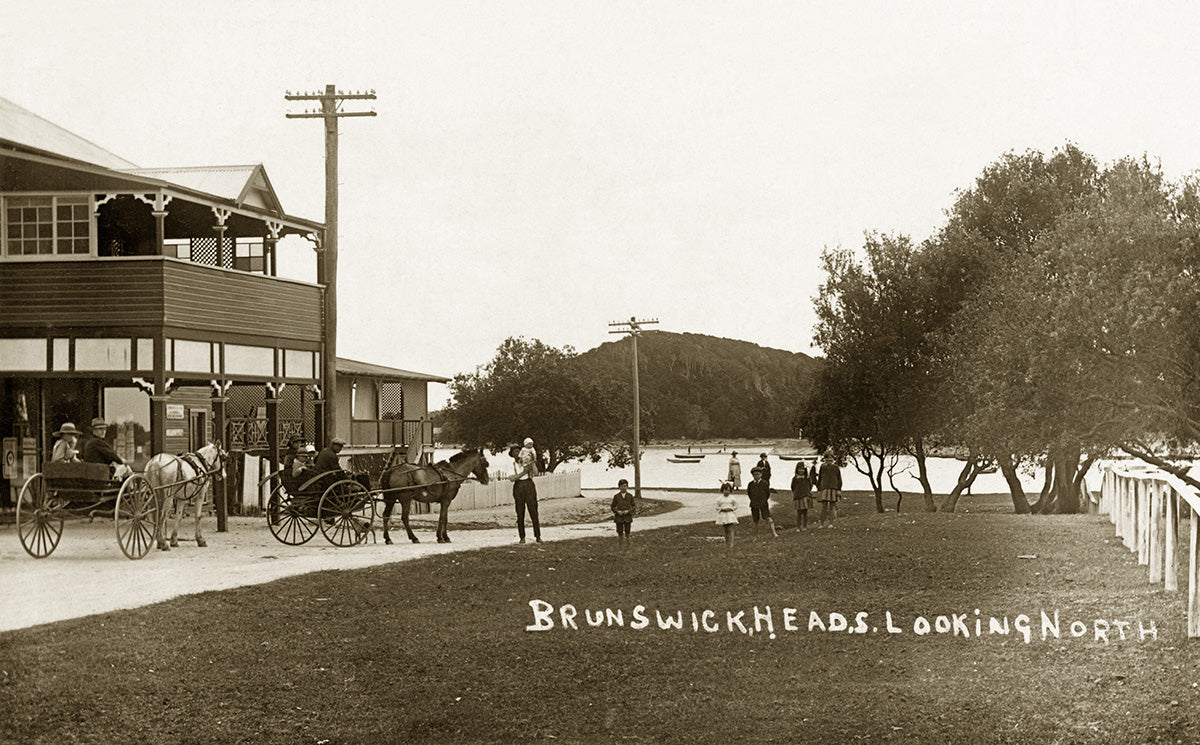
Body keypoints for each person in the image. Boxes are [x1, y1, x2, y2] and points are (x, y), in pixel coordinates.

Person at [509, 436, 542, 544]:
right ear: (512, 454)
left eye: (518, 451)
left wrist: (532, 462)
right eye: (514, 452)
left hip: (528, 484)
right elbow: (512, 478)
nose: (517, 454)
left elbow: (536, 473)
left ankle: (538, 536)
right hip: (518, 486)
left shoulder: (527, 462)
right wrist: (523, 472)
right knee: (520, 512)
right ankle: (522, 537)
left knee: (533, 511)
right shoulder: (513, 464)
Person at [746, 467, 778, 538]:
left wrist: (763, 500)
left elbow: (767, 493)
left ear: (761, 474)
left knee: (767, 517)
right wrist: (754, 500)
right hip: (754, 504)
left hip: (763, 503)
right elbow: (749, 494)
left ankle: (774, 533)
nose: (756, 476)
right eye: (754, 475)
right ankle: (756, 535)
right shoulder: (750, 484)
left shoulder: (764, 483)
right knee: (755, 520)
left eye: (758, 474)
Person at [816, 450, 843, 528]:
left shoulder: (836, 467)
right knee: (824, 507)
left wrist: (839, 489)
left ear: (833, 459)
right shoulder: (822, 467)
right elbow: (820, 478)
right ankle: (821, 524)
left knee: (832, 506)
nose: (829, 460)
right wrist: (819, 488)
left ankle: (831, 523)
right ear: (824, 459)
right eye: (827, 459)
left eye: (831, 459)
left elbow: (839, 479)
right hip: (824, 488)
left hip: (833, 488)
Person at [791, 460, 815, 532]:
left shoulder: (807, 478)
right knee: (799, 512)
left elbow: (810, 486)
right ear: (796, 470)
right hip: (798, 496)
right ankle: (798, 527)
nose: (801, 470)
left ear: (805, 470)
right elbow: (793, 487)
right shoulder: (795, 479)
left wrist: (807, 492)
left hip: (805, 496)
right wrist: (796, 493)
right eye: (799, 469)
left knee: (805, 512)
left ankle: (804, 526)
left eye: (802, 469)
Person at [610, 478, 635, 544]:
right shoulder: (616, 496)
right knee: (620, 532)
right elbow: (612, 506)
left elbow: (633, 506)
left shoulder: (630, 496)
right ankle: (620, 544)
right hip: (619, 517)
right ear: (619, 487)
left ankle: (628, 544)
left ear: (627, 487)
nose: (623, 488)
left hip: (628, 517)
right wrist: (617, 511)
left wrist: (628, 511)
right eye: (621, 486)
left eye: (625, 486)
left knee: (627, 532)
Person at [715, 481, 738, 550]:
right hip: (723, 515)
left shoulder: (732, 498)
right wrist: (721, 509)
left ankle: (731, 544)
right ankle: (727, 543)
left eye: (728, 490)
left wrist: (731, 508)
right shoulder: (719, 498)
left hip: (730, 514)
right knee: (726, 530)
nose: (726, 492)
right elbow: (717, 507)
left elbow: (736, 506)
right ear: (722, 490)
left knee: (730, 529)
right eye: (725, 490)